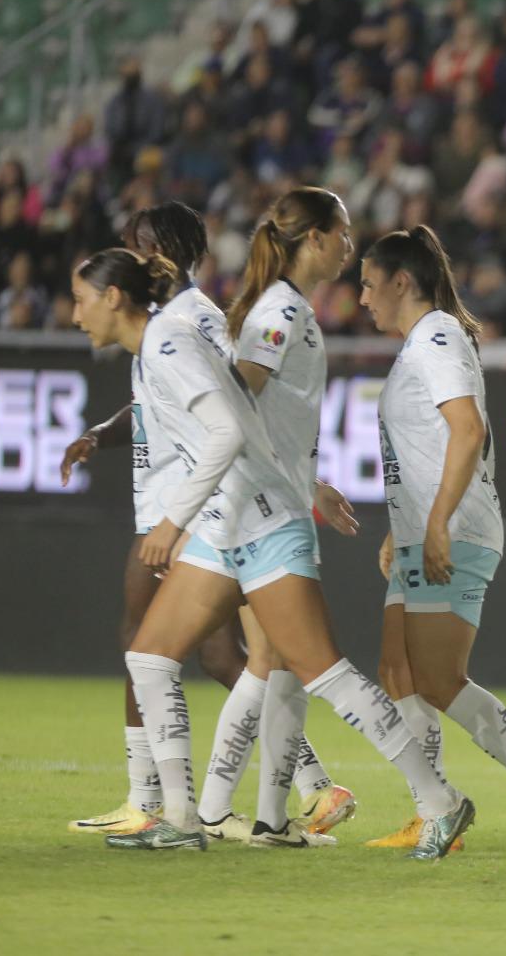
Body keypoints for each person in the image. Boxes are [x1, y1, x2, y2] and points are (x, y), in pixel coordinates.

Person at [68, 248, 474, 858]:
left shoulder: (168, 346)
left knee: (325, 673)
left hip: (256, 524)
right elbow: (247, 424)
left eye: (80, 300)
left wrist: (172, 519)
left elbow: (230, 431)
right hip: (225, 524)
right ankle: (180, 818)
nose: (75, 316)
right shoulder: (161, 346)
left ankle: (439, 801)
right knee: (150, 657)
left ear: (113, 298)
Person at [357, 225, 506, 856]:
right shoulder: (425, 341)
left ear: (401, 282)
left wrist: (434, 523)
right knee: (397, 669)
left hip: (455, 531)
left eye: (368, 284)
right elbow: (432, 447)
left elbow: (466, 431)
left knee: (436, 676)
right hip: (427, 528)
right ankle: (433, 807)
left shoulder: (434, 337)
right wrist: (404, 525)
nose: (361, 298)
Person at [60, 204, 251, 837]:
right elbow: (156, 406)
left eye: (138, 245)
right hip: (182, 499)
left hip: (188, 501)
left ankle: (154, 801)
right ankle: (303, 785)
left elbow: (230, 407)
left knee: (154, 642)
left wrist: (176, 517)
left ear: (164, 249)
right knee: (220, 654)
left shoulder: (186, 318)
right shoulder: (174, 321)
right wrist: (101, 433)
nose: (133, 255)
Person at [191, 188, 361, 847]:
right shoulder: (282, 309)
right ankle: (221, 811)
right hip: (258, 510)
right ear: (314, 238)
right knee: (279, 659)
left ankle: (265, 820)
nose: (350, 244)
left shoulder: (292, 309)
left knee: (272, 662)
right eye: (342, 232)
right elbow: (239, 397)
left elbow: (259, 415)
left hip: (275, 499)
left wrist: (308, 481)